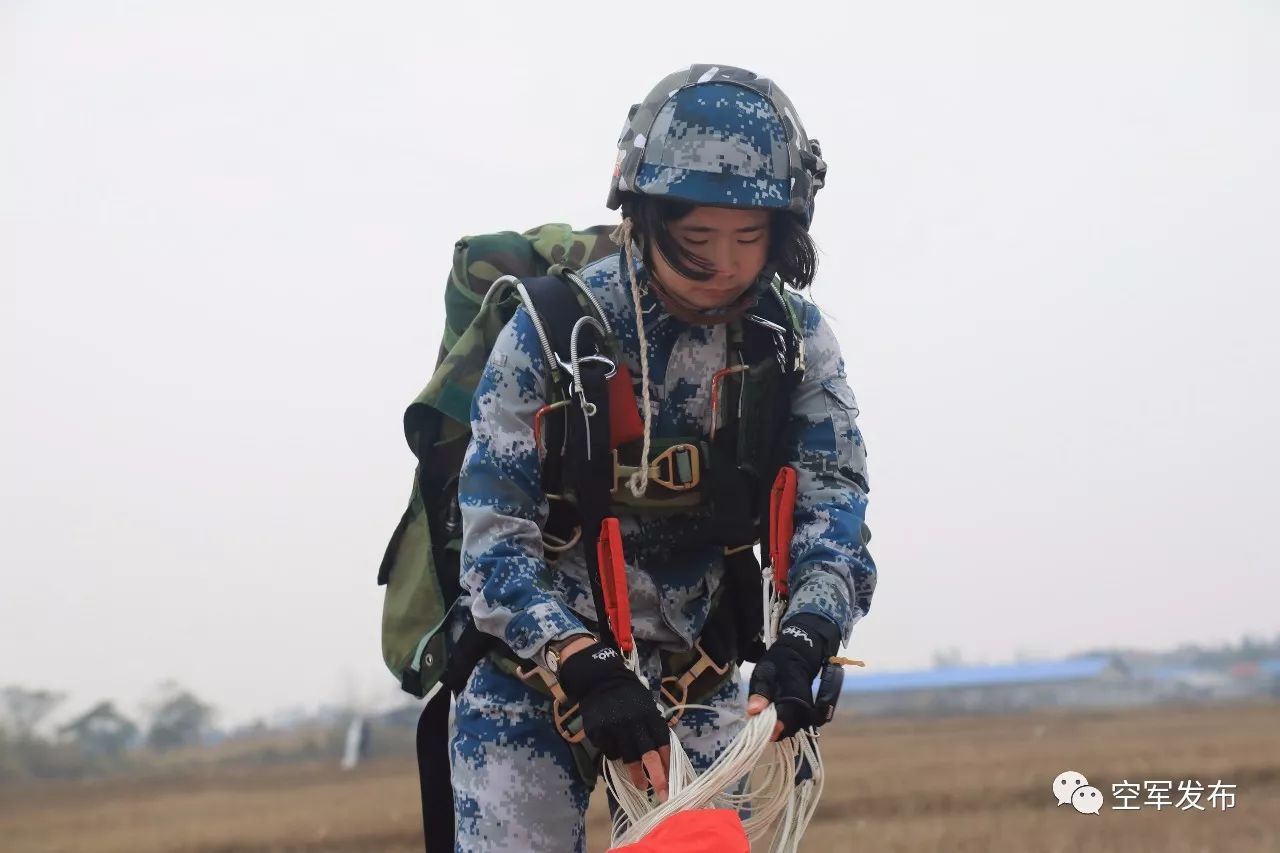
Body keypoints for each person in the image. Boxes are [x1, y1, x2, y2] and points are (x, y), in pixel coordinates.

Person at [448, 64, 876, 853]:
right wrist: (581, 662)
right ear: (644, 218)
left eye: (749, 240)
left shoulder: (792, 345)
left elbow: (833, 510)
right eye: (696, 241)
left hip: (694, 693)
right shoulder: (550, 333)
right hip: (531, 689)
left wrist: (807, 637)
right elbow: (492, 539)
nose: (724, 266)